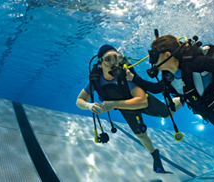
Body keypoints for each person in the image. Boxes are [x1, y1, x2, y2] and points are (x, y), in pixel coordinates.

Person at [126, 35, 214, 158]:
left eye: (153, 55)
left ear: (167, 55)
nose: (151, 61)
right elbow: (156, 89)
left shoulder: (196, 63)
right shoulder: (167, 77)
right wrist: (133, 79)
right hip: (209, 111)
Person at [76, 45, 181, 173]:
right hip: (125, 107)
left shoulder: (125, 75)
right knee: (140, 135)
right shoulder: (95, 80)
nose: (114, 63)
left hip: (138, 102)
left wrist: (113, 104)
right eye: (108, 59)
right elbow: (79, 101)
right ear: (100, 63)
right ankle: (155, 155)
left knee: (167, 113)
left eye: (117, 58)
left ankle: (182, 98)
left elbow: (142, 101)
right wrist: (89, 105)